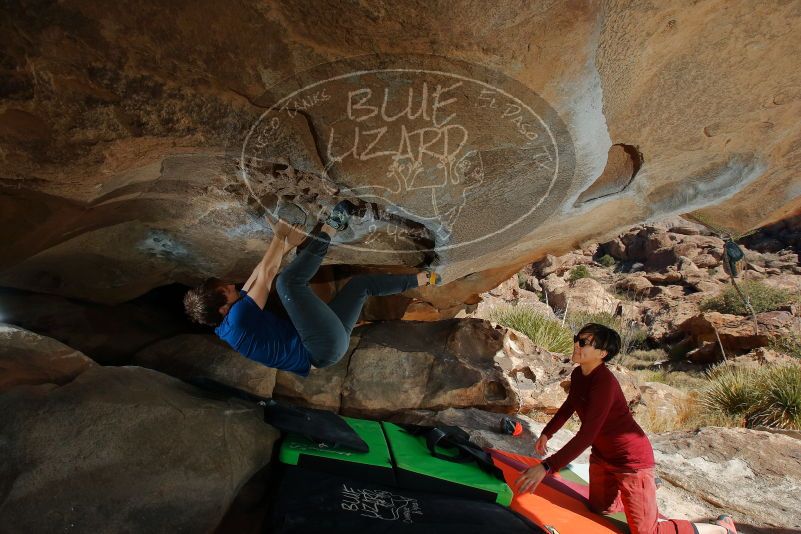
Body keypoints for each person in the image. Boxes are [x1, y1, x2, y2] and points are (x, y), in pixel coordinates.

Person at [514, 323, 737, 534]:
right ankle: (644, 492)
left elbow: (587, 435)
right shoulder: (578, 374)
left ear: (602, 353)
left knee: (646, 531)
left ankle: (721, 528)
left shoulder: (605, 383)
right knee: (600, 509)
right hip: (602, 458)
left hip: (631, 462)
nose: (576, 344)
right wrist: (547, 432)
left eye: (584, 342)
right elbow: (570, 405)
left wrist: (546, 467)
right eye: (577, 339)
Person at [183, 200, 442, 376]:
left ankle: (425, 279)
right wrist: (279, 235)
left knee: (360, 287)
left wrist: (283, 244)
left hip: (328, 347)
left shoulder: (227, 322)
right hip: (320, 348)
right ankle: (333, 225)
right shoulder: (238, 321)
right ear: (223, 307)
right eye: (225, 290)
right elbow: (269, 275)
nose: (230, 285)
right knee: (287, 282)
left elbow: (255, 275)